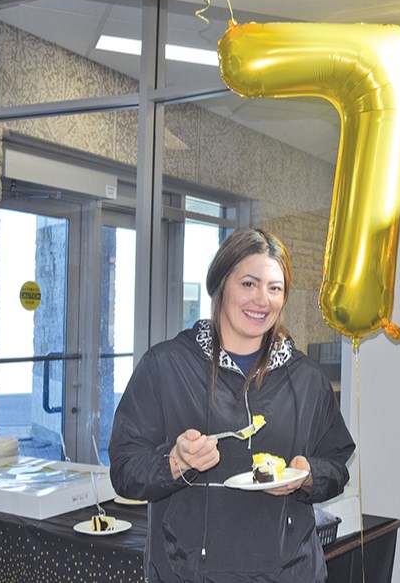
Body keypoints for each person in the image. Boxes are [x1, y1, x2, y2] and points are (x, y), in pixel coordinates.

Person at [109, 227, 355, 583]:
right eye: (249, 284)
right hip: (186, 574)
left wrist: (309, 475)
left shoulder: (307, 379)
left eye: (275, 288)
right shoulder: (166, 367)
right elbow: (125, 471)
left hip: (290, 574)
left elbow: (337, 464)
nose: (262, 300)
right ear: (221, 284)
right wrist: (174, 462)